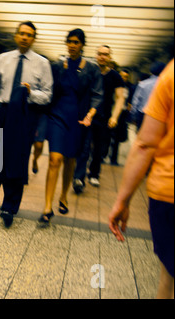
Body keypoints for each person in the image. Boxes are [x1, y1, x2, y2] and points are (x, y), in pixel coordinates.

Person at [109, 59, 174, 299]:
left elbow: (146, 144)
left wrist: (122, 200)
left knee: (168, 277)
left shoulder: (169, 76)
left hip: (169, 191)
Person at [0, 21, 53, 228]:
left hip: (27, 114)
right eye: (21, 33)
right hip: (4, 111)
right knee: (2, 156)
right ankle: (7, 198)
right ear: (16, 36)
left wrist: (32, 93)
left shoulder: (42, 63)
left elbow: (47, 95)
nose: (24, 37)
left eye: (29, 34)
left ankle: (10, 205)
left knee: (19, 157)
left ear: (34, 38)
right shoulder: (4, 59)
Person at [40, 28, 103, 227]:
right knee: (55, 159)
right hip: (57, 115)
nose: (72, 45)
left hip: (78, 119)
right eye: (69, 41)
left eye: (76, 42)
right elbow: (48, 89)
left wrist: (90, 114)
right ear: (66, 43)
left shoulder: (91, 69)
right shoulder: (57, 66)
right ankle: (47, 207)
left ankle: (64, 196)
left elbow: (97, 94)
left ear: (82, 45)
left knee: (70, 160)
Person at [72, 45, 125, 192]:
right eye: (100, 54)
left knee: (99, 149)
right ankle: (79, 178)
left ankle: (94, 173)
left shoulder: (115, 76)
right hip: (87, 115)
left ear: (110, 57)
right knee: (84, 147)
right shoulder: (89, 71)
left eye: (106, 54)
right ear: (96, 55)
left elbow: (120, 98)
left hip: (104, 118)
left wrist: (115, 117)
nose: (102, 56)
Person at [108, 69, 135, 166]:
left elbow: (131, 99)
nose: (124, 78)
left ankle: (113, 158)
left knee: (118, 138)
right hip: (111, 112)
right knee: (108, 135)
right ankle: (104, 153)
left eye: (126, 77)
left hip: (122, 114)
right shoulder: (113, 84)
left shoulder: (130, 87)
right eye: (122, 76)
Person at [131, 61, 166, 131]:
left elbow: (136, 101)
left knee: (142, 135)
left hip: (143, 115)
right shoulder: (166, 85)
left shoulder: (143, 84)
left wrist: (133, 116)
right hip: (160, 117)